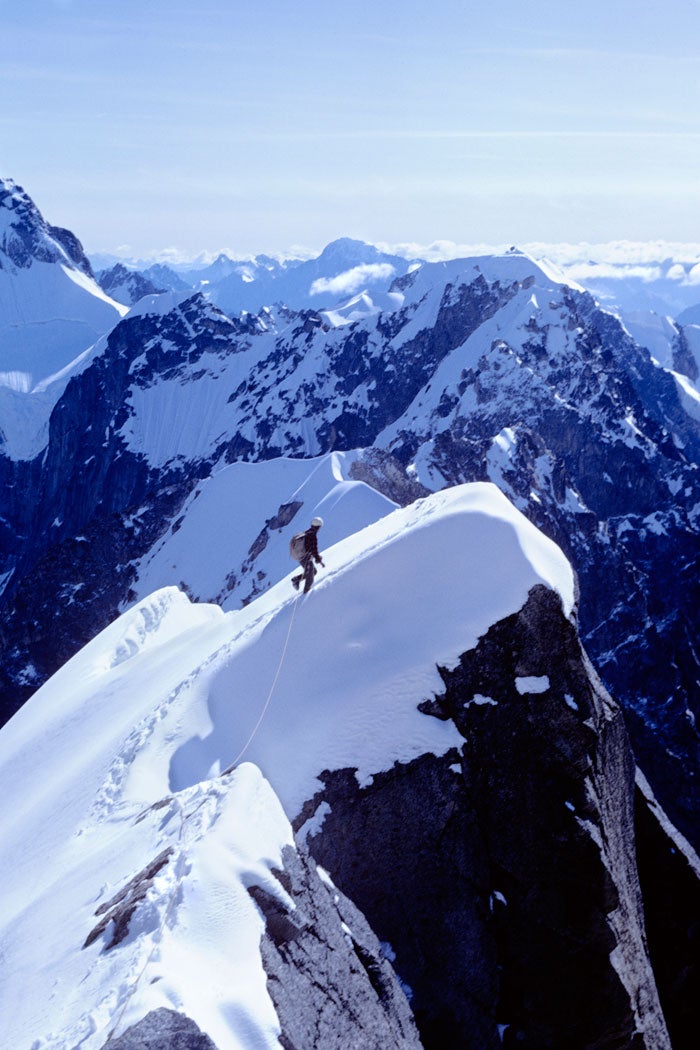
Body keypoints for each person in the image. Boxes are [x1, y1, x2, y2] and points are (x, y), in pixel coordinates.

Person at [291, 517, 325, 593]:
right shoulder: (313, 536)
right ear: (318, 527)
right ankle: (306, 592)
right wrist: (318, 559)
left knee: (313, 572)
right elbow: (314, 549)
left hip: (301, 557)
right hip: (306, 558)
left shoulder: (306, 532)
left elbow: (310, 548)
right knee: (310, 576)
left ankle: (296, 579)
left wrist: (316, 558)